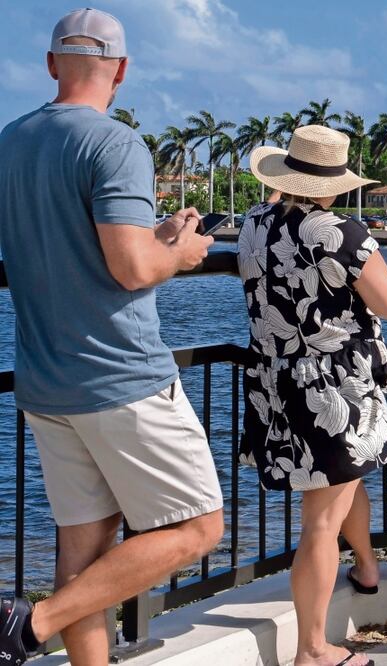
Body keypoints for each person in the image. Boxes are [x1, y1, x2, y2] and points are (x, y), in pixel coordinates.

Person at [0, 9, 224, 665]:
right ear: (121, 70)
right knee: (197, 527)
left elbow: (75, 251)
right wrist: (180, 253)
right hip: (119, 377)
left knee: (84, 557)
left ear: (49, 65)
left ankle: (40, 626)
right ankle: (28, 622)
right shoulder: (115, 145)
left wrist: (157, 241)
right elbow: (129, 270)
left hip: (46, 379)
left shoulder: (11, 141)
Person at [238, 124, 387, 666]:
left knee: (342, 483)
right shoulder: (342, 233)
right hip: (331, 384)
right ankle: (312, 648)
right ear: (335, 182)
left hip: (273, 375)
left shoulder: (253, 226)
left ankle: (368, 566)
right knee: (321, 520)